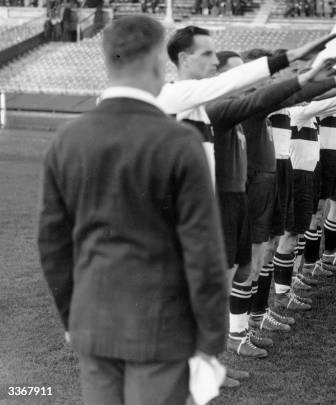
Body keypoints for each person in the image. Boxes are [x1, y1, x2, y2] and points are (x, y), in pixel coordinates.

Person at [38, 16, 228, 405]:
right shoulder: (177, 141)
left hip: (93, 322)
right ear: (160, 60)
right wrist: (210, 339)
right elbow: (203, 249)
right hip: (160, 325)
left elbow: (52, 244)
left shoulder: (68, 138)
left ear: (108, 61)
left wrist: (72, 316)